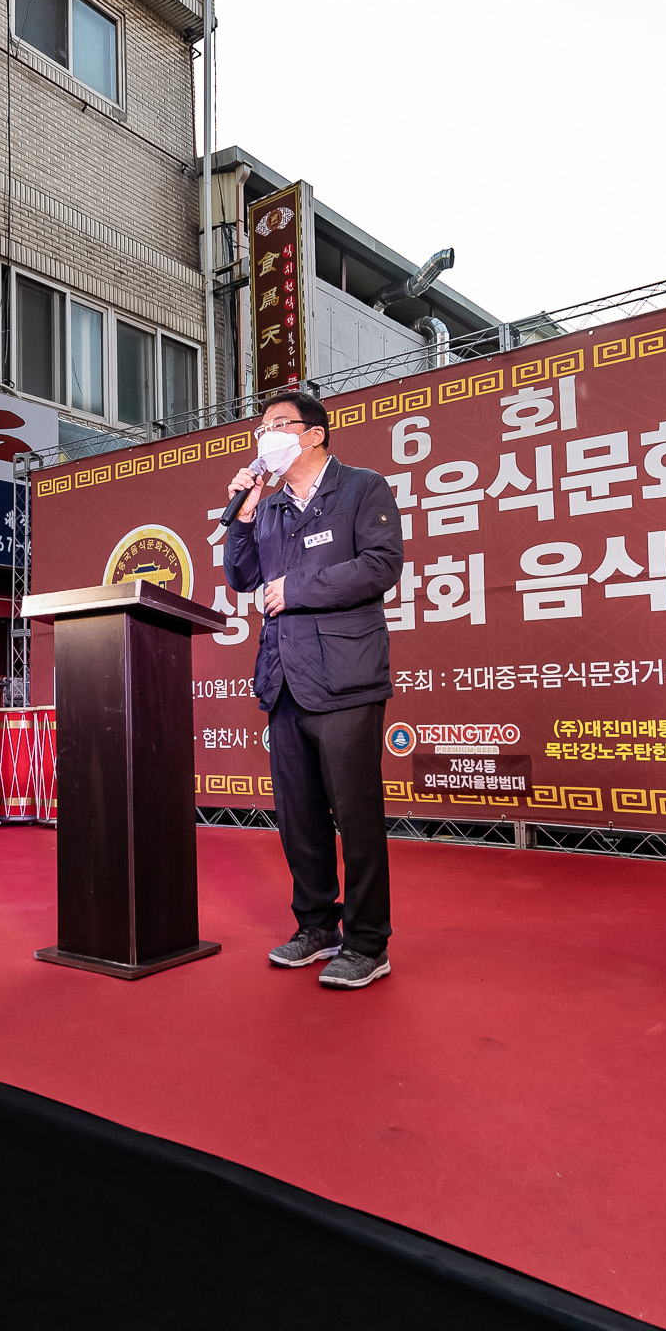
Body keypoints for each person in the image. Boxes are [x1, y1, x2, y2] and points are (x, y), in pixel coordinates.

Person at [222, 389, 406, 989]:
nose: (265, 436)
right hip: (285, 681)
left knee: (355, 815)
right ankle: (316, 926)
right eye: (260, 429)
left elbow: (381, 566)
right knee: (298, 816)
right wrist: (245, 511)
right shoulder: (270, 507)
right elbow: (243, 574)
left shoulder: (361, 488)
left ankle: (367, 942)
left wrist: (298, 589)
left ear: (314, 434)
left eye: (278, 425)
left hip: (346, 678)